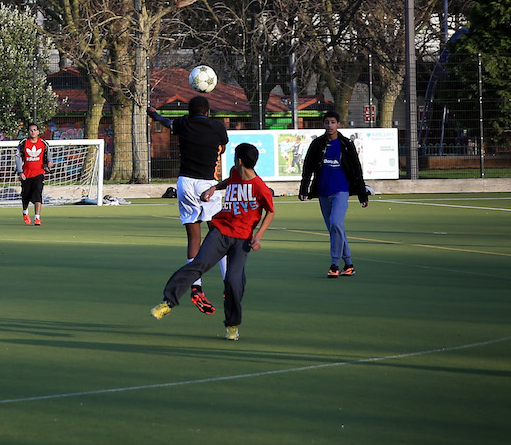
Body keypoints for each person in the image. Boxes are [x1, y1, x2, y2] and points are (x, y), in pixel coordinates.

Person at [151, 142, 275, 342]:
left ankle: (232, 325)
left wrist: (258, 236)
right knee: (199, 264)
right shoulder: (236, 172)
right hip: (220, 232)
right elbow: (229, 180)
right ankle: (168, 303)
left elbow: (270, 211)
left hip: (242, 240)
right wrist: (213, 188)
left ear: (240, 160)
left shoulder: (260, 188)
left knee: (234, 281)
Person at [148, 96, 229, 314]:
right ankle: (228, 282)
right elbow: (223, 144)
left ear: (190, 112)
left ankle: (197, 287)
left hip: (185, 183)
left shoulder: (183, 124)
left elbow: (165, 121)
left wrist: (153, 113)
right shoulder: (217, 127)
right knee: (219, 234)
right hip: (208, 184)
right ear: (208, 112)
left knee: (193, 237)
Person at [298, 109, 368, 277]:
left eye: (333, 122)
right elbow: (307, 168)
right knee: (335, 229)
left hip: (341, 191)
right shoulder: (317, 144)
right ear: (323, 124)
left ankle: (334, 265)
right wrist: (304, 189)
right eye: (327, 122)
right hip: (322, 192)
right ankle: (349, 264)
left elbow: (356, 169)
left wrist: (362, 194)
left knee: (336, 224)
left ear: (338, 124)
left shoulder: (345, 144)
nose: (330, 125)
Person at [18, 121, 50, 225]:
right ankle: (25, 212)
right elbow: (17, 158)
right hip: (26, 174)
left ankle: (37, 217)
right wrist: (20, 172)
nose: (33, 132)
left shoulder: (43, 143)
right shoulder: (23, 144)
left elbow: (49, 156)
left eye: (35, 130)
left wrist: (49, 163)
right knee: (26, 195)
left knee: (38, 194)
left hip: (39, 173)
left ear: (38, 132)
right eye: (31, 130)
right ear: (28, 132)